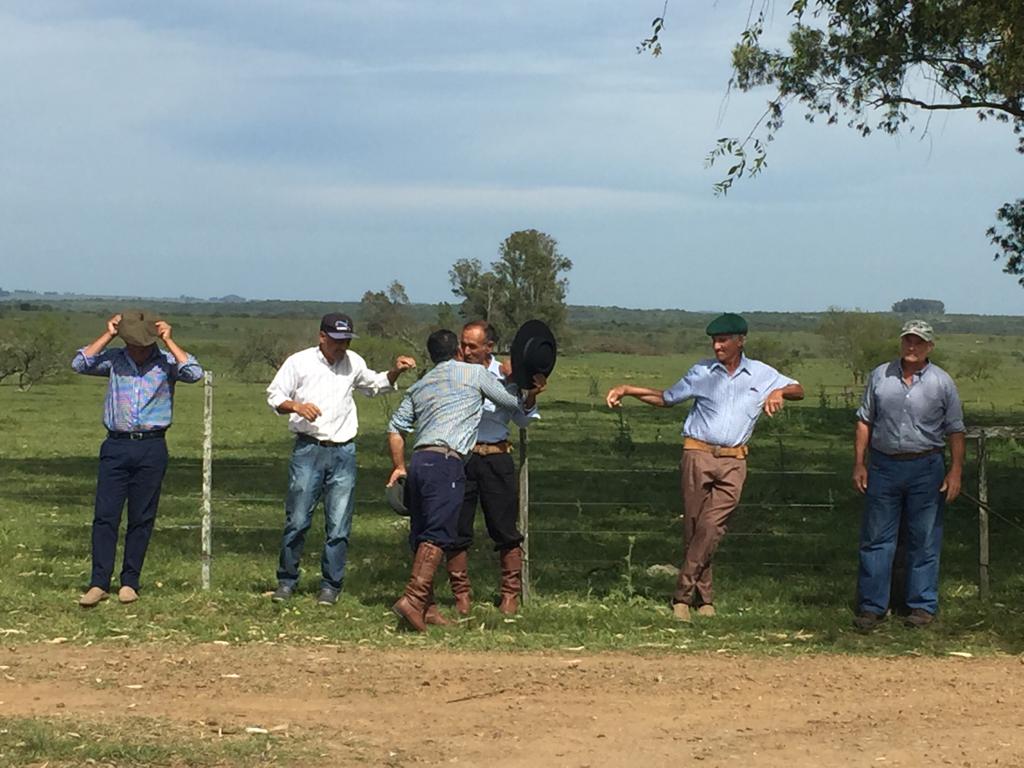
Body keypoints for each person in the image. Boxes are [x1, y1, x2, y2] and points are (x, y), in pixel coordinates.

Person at [606, 313, 804, 622]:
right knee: (695, 527)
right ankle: (704, 599)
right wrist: (628, 389)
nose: (717, 346)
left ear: (741, 341)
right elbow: (667, 398)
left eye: (724, 340)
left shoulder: (762, 374)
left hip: (735, 460)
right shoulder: (701, 372)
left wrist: (779, 392)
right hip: (697, 454)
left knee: (712, 527)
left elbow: (798, 389)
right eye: (714, 340)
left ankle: (680, 594)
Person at [386, 329, 543, 632]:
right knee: (439, 532)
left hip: (420, 459)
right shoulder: (474, 374)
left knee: (421, 531)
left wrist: (398, 466)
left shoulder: (422, 384)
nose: (469, 350)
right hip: (448, 459)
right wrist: (521, 382)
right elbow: (510, 403)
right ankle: (413, 598)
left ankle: (428, 608)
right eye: (465, 345)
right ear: (458, 349)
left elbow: (395, 425)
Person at [266, 312, 416, 606]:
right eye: (337, 340)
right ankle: (286, 581)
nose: (342, 345)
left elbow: (374, 385)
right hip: (308, 448)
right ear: (322, 336)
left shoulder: (353, 362)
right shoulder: (299, 362)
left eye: (346, 340)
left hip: (343, 450)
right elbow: (274, 395)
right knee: (297, 519)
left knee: (338, 524)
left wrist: (395, 371)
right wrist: (296, 406)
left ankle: (331, 586)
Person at [73, 310, 204, 607]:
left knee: (141, 517)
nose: (138, 348)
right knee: (105, 516)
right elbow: (80, 363)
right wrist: (108, 333)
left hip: (151, 446)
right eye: (132, 342)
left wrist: (169, 341)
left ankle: (129, 582)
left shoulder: (167, 363)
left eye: (143, 344)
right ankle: (98, 582)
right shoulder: (115, 360)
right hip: (116, 445)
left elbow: (194, 373)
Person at [852, 320, 964, 631]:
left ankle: (921, 606)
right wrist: (859, 463)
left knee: (924, 537)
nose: (911, 347)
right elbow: (864, 421)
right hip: (883, 465)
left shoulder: (942, 382)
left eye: (918, 342)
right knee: (876, 538)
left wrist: (955, 471)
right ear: (901, 343)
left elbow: (955, 430)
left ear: (930, 346)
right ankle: (872, 606)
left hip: (925, 467)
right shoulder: (880, 376)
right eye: (907, 341)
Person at [446, 321, 539, 615]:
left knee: (504, 528)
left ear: (489, 347)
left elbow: (523, 420)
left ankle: (509, 594)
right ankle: (461, 595)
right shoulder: (454, 372)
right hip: (462, 456)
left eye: (473, 345)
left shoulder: (506, 375)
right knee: (457, 527)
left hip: (496, 457)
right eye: (463, 344)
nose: (466, 350)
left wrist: (530, 393)